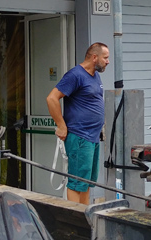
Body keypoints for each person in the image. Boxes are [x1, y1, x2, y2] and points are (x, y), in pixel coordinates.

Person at [46, 42, 110, 204]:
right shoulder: (75, 75)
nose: (108, 61)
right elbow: (52, 98)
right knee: (76, 182)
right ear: (94, 57)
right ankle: (75, 217)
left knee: (86, 182)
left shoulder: (95, 75)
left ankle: (84, 215)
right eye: (105, 58)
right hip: (80, 136)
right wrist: (61, 126)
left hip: (93, 137)